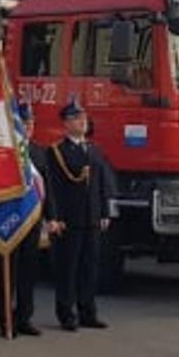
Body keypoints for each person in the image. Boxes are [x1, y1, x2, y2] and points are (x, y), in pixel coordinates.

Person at [41, 99, 114, 330]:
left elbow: (102, 183)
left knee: (89, 268)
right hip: (69, 219)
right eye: (76, 118)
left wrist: (104, 212)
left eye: (84, 118)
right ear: (66, 123)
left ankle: (88, 312)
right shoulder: (57, 152)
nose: (83, 122)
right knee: (68, 269)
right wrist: (53, 217)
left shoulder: (93, 150)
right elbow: (52, 187)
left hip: (91, 218)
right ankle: (67, 314)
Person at [0, 101, 45, 338]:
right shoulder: (3, 153)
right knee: (8, 273)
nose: (29, 127)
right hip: (9, 219)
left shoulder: (39, 153)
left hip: (32, 219)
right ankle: (6, 320)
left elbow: (47, 187)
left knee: (28, 271)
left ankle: (24, 317)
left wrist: (51, 217)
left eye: (31, 123)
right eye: (24, 123)